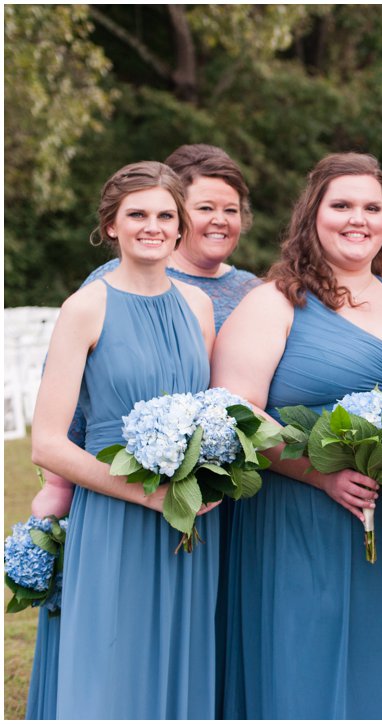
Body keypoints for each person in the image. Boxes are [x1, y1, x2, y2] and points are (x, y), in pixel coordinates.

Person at [212, 153, 382, 719]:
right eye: (341, 205)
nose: (357, 219)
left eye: (371, 207)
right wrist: (318, 473)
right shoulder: (276, 302)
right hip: (302, 513)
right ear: (311, 215)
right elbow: (234, 408)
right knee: (306, 661)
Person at [26, 144, 261, 719]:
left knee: (181, 668)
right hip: (116, 514)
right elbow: (47, 442)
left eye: (164, 216)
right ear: (110, 225)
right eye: (137, 215)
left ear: (180, 228)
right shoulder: (85, 307)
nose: (152, 227)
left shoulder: (200, 309)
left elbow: (215, 411)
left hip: (189, 521)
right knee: (112, 670)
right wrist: (147, 494)